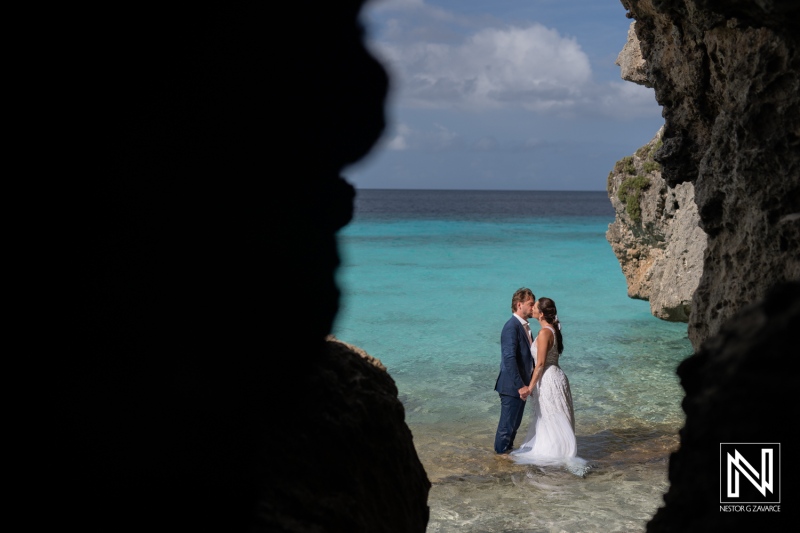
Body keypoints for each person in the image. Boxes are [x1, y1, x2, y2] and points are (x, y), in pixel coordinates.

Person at [511, 297, 589, 476]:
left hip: (549, 378)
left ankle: (558, 455)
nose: (532, 309)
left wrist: (530, 387)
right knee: (551, 416)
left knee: (552, 416)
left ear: (541, 314)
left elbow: (540, 364)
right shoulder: (552, 329)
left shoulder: (546, 333)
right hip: (554, 376)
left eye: (535, 307)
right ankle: (560, 452)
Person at [494, 287, 536, 455]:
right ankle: (498, 460)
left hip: (521, 385)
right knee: (506, 428)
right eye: (530, 304)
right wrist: (520, 386)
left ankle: (506, 459)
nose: (534, 307)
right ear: (519, 305)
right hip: (512, 386)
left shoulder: (524, 326)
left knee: (514, 427)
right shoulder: (511, 327)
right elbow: (509, 358)